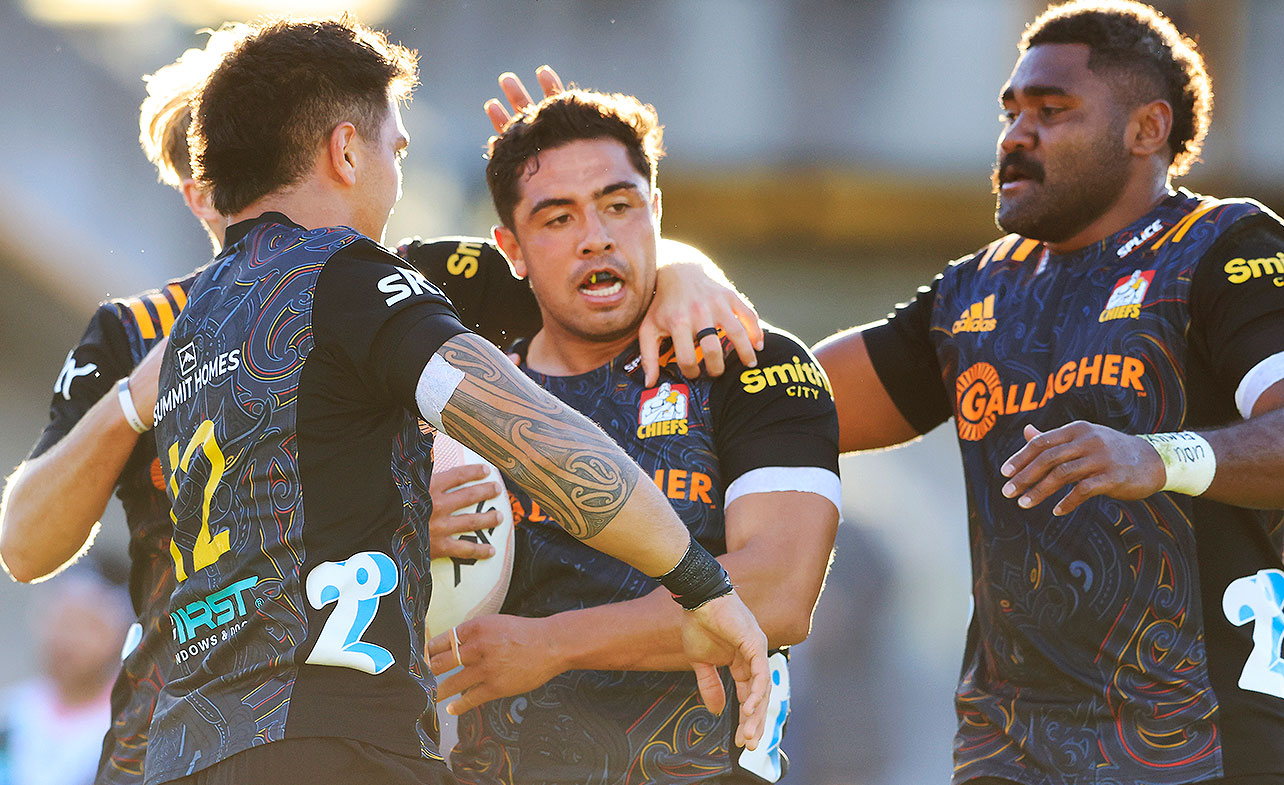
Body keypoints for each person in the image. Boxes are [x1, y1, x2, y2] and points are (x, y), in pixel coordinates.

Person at [0, 39, 762, 785]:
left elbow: (574, 271)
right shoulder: (341, 279)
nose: (400, 173)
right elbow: (538, 438)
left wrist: (684, 267)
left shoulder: (195, 317)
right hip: (335, 739)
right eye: (396, 148)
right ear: (344, 150)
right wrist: (701, 582)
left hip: (188, 744)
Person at [808, 1, 1284, 783]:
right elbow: (791, 405)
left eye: (1052, 110)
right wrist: (684, 285)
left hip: (1207, 745)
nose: (1015, 134)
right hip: (1009, 754)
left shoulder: (1223, 248)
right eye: (1011, 110)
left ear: (1147, 129)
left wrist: (1154, 456)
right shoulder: (976, 290)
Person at [425, 89, 840, 785]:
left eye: (619, 205)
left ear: (656, 212)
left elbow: (777, 592)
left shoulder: (752, 361)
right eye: (558, 217)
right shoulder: (457, 386)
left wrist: (553, 644)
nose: (597, 236)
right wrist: (400, 521)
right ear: (512, 250)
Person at [0, 572, 129, 785]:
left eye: (86, 626)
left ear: (120, 634)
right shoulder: (11, 714)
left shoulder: (131, 724)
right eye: (60, 622)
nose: (67, 639)